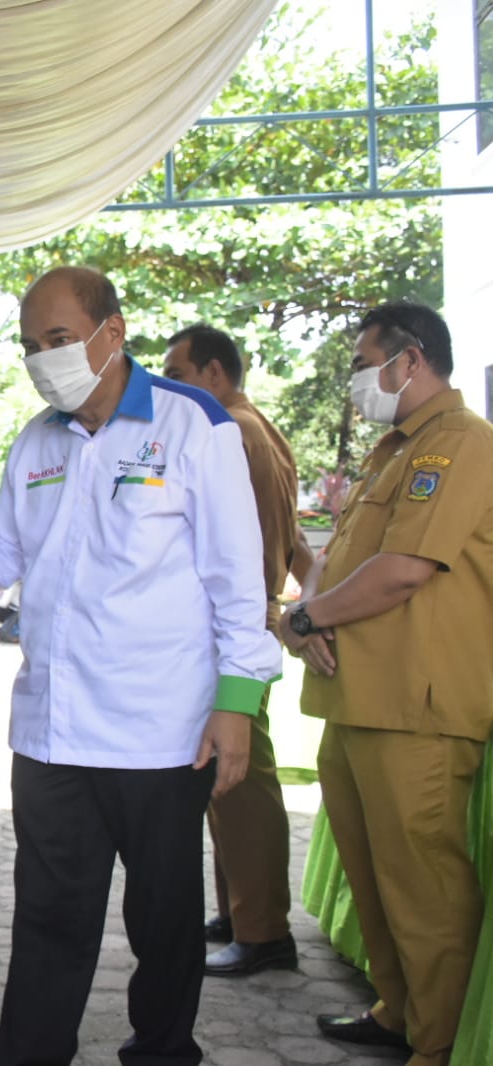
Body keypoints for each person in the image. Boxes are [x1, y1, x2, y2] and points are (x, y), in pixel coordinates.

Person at [0, 266, 282, 1066]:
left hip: (160, 730)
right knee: (47, 917)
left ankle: (161, 1051)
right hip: (50, 732)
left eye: (59, 340)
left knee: (165, 921)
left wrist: (237, 702)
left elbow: (233, 574)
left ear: (111, 334)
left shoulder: (192, 425)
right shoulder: (36, 439)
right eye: (29, 346)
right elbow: (5, 548)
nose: (44, 360)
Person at [281, 302, 493, 1065]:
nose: (357, 379)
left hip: (419, 710)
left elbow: (402, 571)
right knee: (374, 877)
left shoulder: (459, 445)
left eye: (365, 361)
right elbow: (348, 560)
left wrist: (302, 623)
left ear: (410, 360)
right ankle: (397, 1011)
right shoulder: (393, 450)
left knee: (424, 889)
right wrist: (311, 616)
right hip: (363, 701)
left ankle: (436, 1045)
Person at [162, 324, 307, 977]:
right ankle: (240, 911)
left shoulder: (232, 435)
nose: (169, 388)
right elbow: (294, 540)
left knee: (240, 784)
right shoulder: (257, 428)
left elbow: (234, 550)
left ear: (213, 374)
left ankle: (261, 929)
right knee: (226, 785)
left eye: (179, 372)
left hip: (233, 637)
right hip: (243, 628)